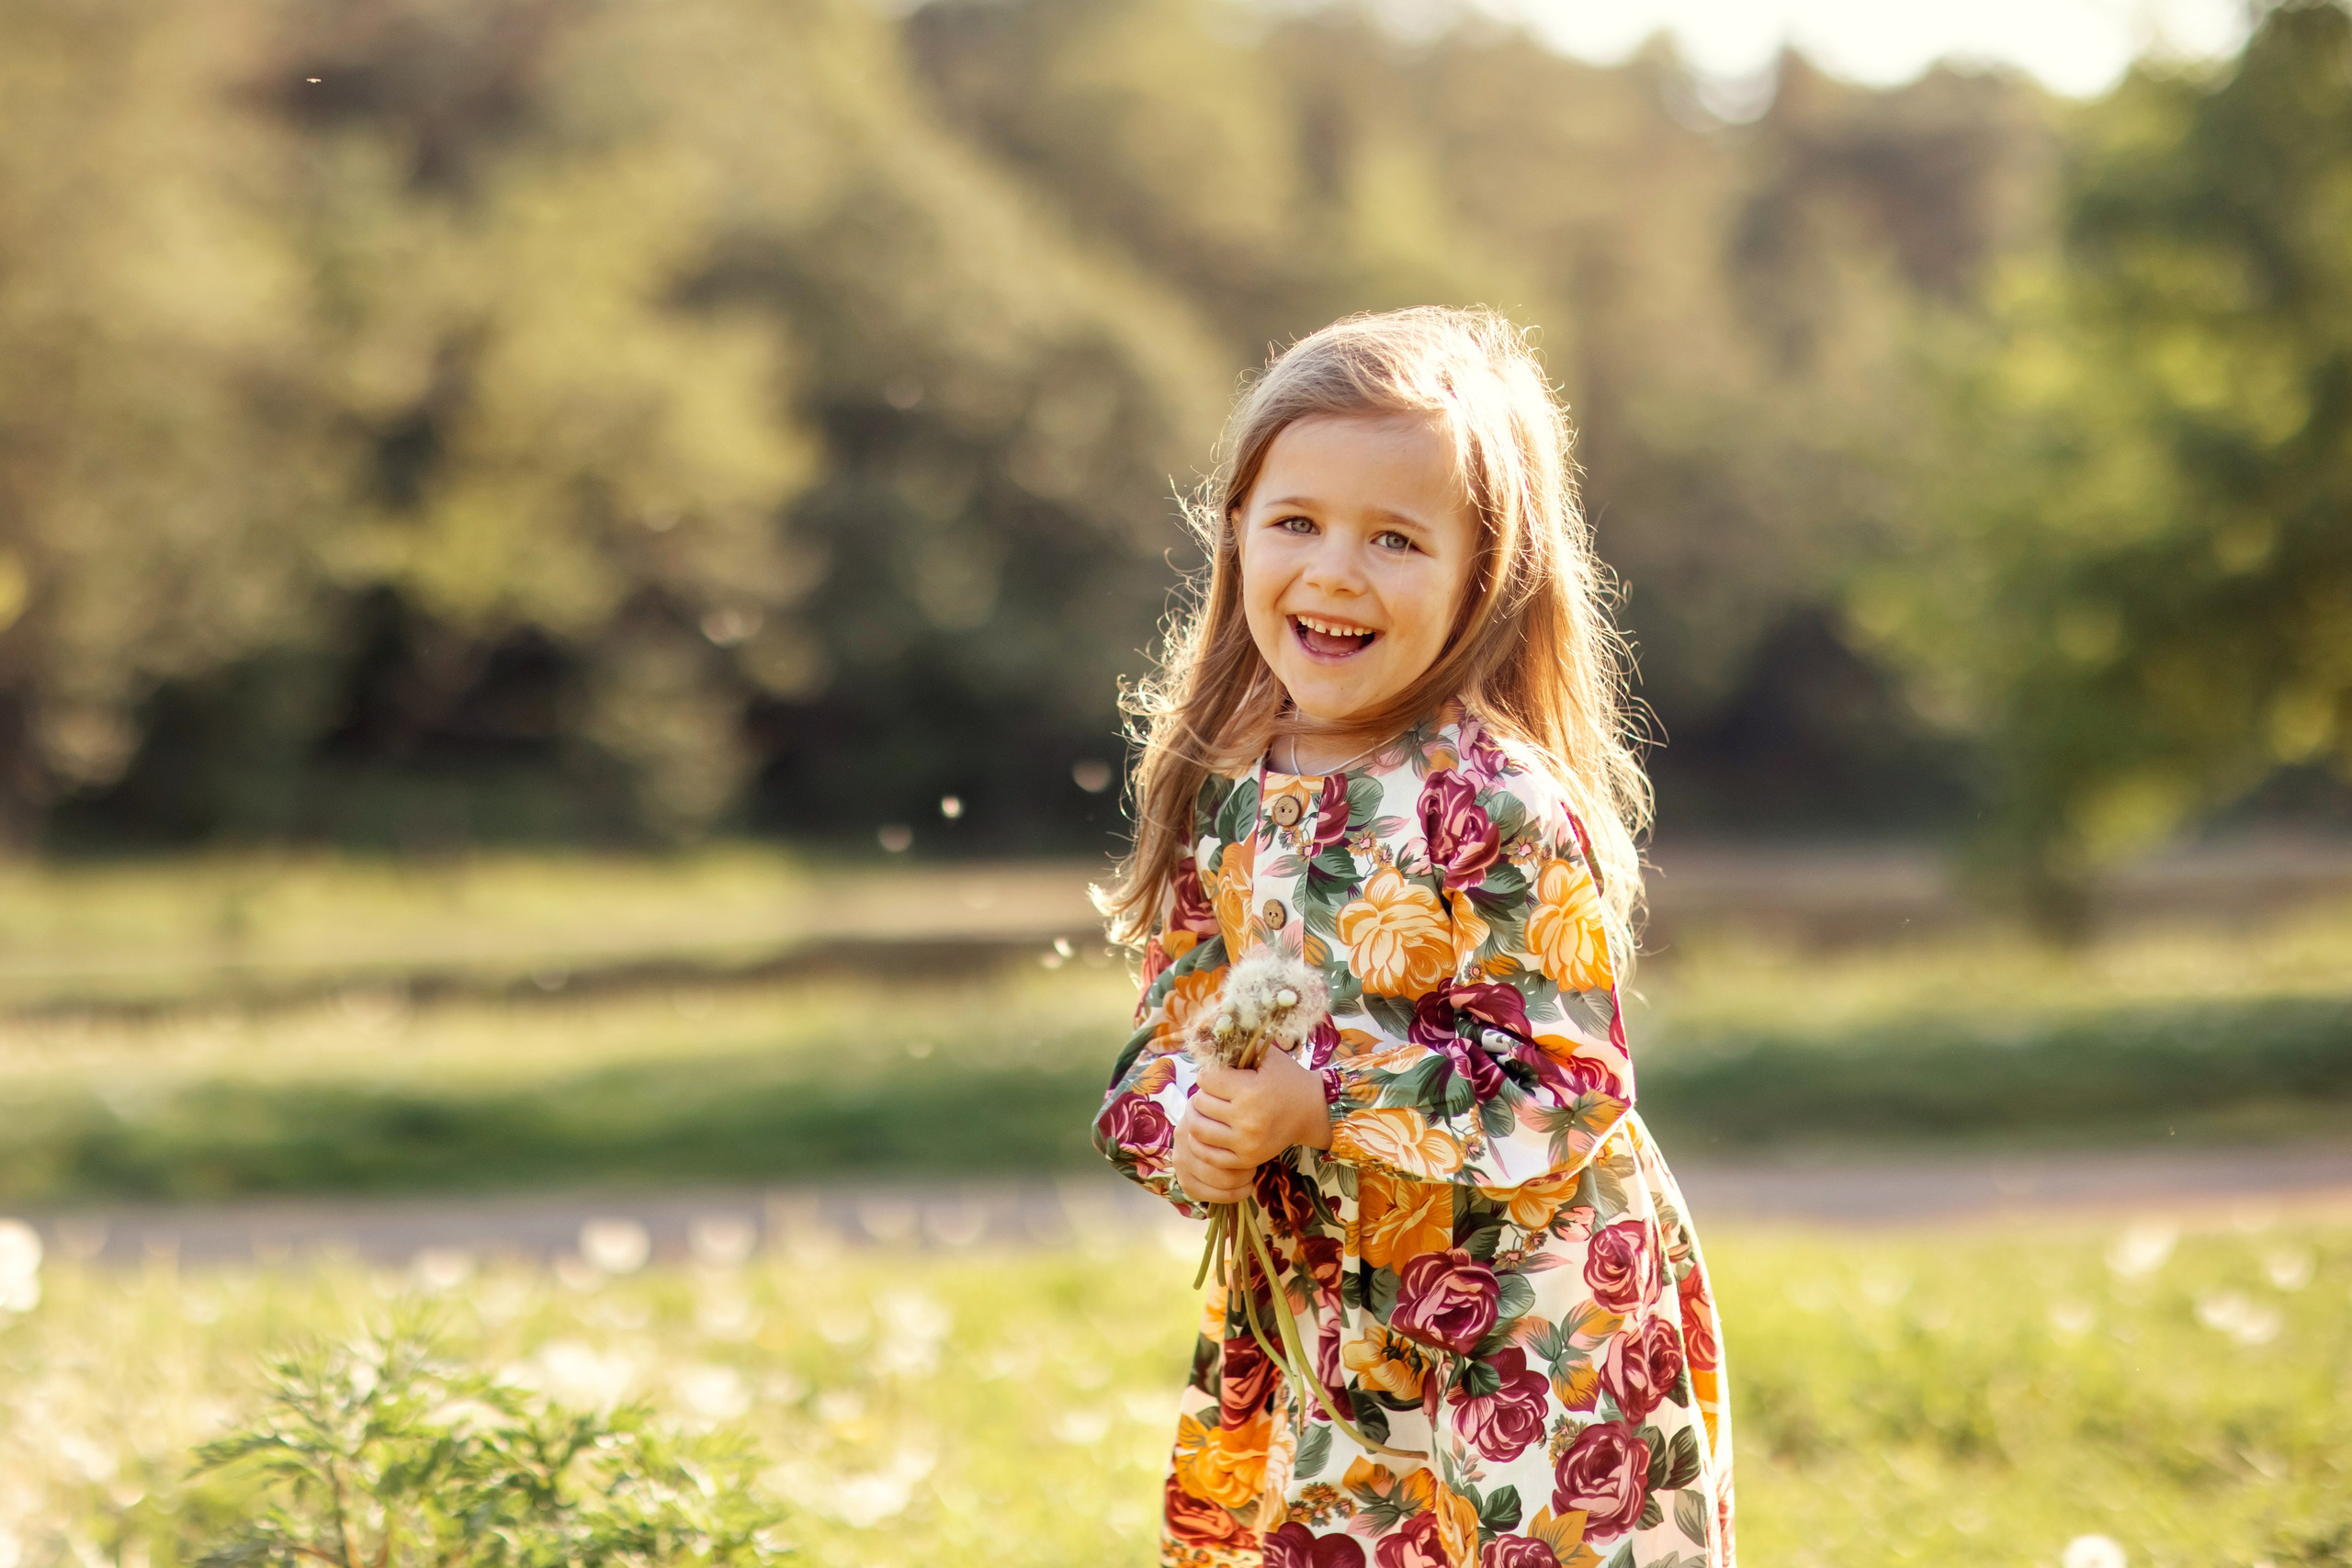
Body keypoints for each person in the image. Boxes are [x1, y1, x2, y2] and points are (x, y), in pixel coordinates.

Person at [1094, 308, 1733, 1568]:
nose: (1335, 571)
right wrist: (1198, 1129)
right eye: (1298, 522)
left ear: (1485, 572)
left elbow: (1569, 1085)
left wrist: (1320, 1103)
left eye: (1394, 538)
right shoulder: (1225, 781)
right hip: (1324, 1337)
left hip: (1521, 1342)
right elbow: (1164, 1040)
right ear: (1235, 531)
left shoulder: (1491, 799)